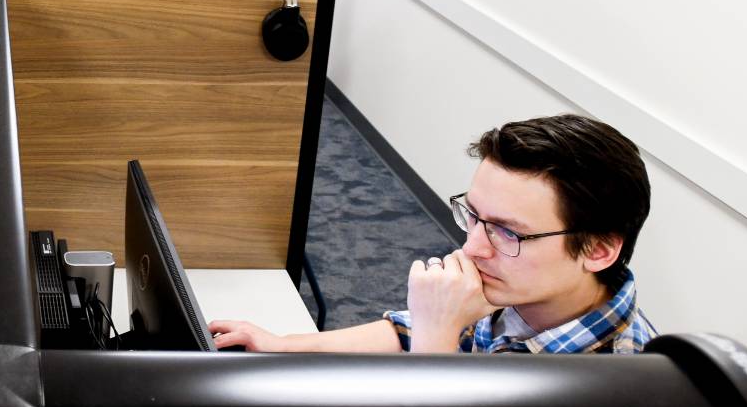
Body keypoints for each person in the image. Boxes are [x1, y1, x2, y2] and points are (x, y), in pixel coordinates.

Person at [210, 114, 656, 354]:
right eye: (474, 217)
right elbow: (407, 331)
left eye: (507, 232)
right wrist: (281, 345)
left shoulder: (616, 387)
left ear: (597, 251)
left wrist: (437, 338)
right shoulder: (525, 290)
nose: (472, 247)